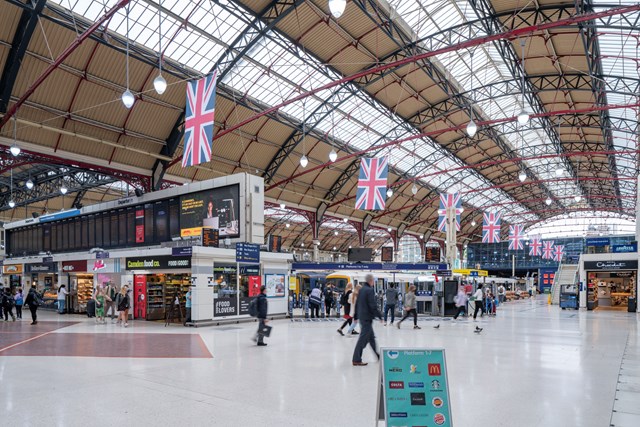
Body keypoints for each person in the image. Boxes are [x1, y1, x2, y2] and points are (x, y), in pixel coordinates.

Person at [352, 274, 383, 366]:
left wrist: (356, 316)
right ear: (371, 280)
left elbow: (357, 303)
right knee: (362, 339)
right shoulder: (370, 290)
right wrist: (380, 316)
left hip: (362, 317)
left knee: (371, 338)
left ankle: (378, 356)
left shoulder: (361, 290)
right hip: (367, 318)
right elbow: (372, 305)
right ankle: (356, 359)